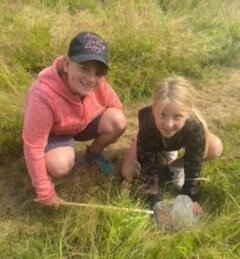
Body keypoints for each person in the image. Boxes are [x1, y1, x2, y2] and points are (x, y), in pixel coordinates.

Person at [23, 31, 127, 208]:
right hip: (56, 132)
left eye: (98, 72)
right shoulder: (43, 95)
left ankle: (93, 154)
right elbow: (33, 144)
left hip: (83, 123)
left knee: (118, 120)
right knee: (60, 166)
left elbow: (116, 107)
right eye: (84, 68)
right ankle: (57, 154)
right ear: (66, 64)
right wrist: (45, 192)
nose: (91, 79)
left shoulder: (99, 84)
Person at [121, 77, 223, 216]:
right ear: (153, 109)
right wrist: (155, 203)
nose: (169, 124)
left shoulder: (194, 127)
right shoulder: (147, 124)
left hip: (176, 141)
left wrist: (190, 197)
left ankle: (174, 164)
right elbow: (148, 168)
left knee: (215, 146)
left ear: (187, 114)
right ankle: (138, 141)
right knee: (128, 172)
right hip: (151, 142)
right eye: (162, 115)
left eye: (177, 117)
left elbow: (194, 163)